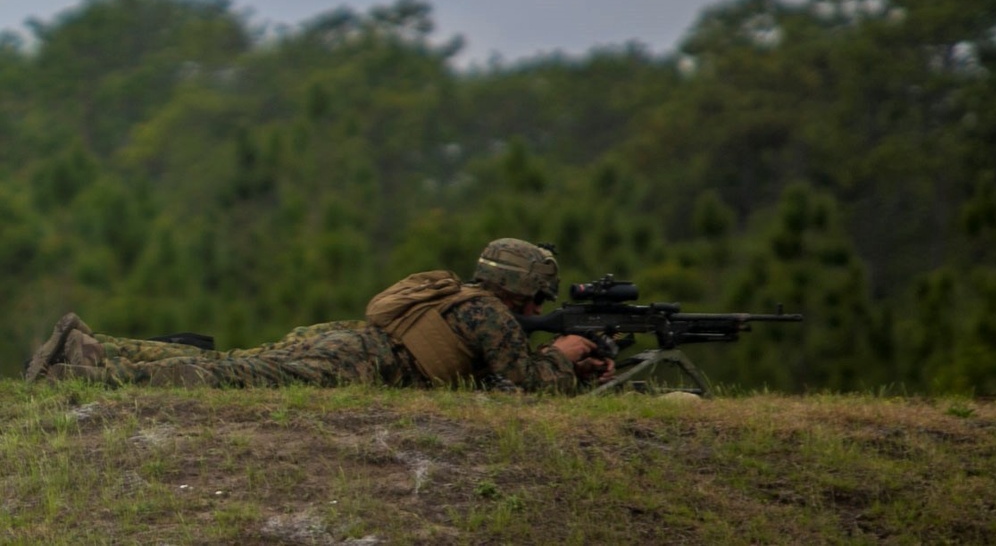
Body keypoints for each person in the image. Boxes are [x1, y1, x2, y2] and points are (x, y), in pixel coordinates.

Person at [25, 238, 615, 392]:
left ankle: (94, 346)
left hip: (345, 340)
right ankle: (92, 372)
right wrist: (562, 359)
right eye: (541, 294)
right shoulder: (492, 317)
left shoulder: (460, 296)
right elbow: (520, 387)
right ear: (524, 289)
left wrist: (567, 364)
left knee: (234, 364)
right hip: (362, 362)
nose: (542, 307)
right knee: (231, 377)